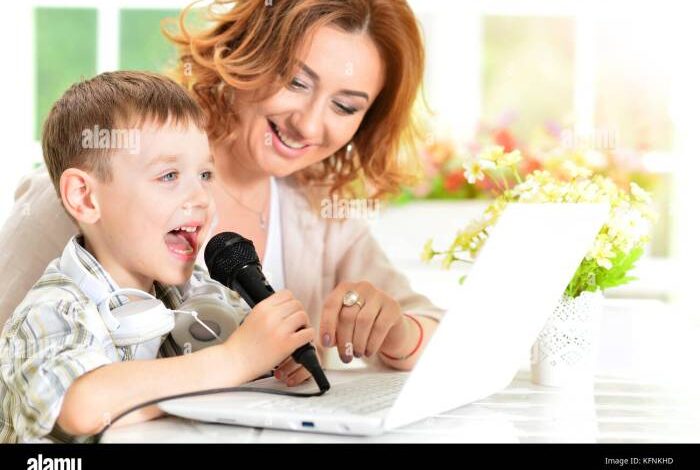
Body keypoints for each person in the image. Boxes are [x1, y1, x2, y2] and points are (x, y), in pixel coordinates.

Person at [0, 0, 443, 389]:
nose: (308, 125)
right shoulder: (88, 199)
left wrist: (396, 333)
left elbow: (444, 340)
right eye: (296, 82)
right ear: (244, 54)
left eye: (345, 106)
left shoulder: (319, 212)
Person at [0, 71, 316, 442]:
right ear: (85, 197)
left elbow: (252, 351)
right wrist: (237, 359)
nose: (200, 197)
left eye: (204, 174)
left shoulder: (195, 291)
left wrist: (280, 355)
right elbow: (79, 404)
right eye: (169, 176)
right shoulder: (52, 310)